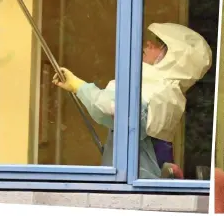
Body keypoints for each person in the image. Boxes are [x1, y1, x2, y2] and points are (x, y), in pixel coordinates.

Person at [52, 23, 212, 179]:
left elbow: (109, 108)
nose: (148, 44)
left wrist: (77, 85)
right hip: (143, 182)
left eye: (158, 43)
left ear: (174, 58)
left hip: (134, 186)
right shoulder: (169, 93)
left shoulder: (156, 90)